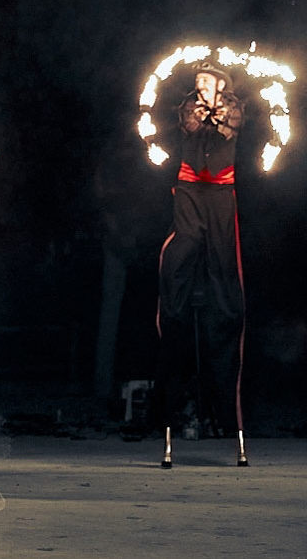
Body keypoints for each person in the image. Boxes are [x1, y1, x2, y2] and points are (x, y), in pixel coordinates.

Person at [155, 61, 247, 467]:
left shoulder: (232, 108)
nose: (199, 87)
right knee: (183, 246)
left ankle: (227, 413)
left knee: (223, 274)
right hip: (190, 190)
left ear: (221, 85)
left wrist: (218, 108)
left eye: (206, 82)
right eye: (197, 83)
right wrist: (200, 107)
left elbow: (228, 128)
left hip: (221, 196)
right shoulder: (188, 109)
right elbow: (192, 128)